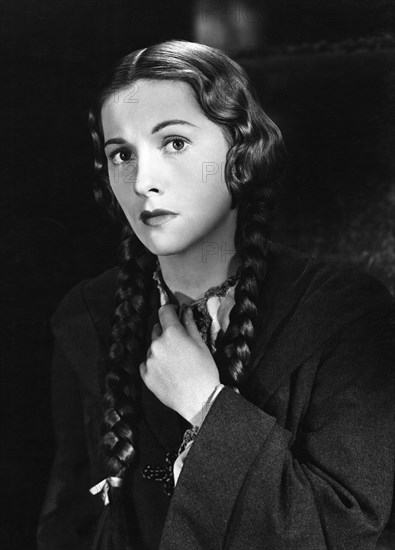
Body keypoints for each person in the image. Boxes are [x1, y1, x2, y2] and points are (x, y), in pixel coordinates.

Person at [37, 39, 395, 550]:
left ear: (241, 152)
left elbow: (344, 531)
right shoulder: (86, 318)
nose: (143, 181)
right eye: (122, 154)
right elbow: (67, 526)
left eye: (175, 143)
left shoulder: (345, 311)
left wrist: (207, 405)